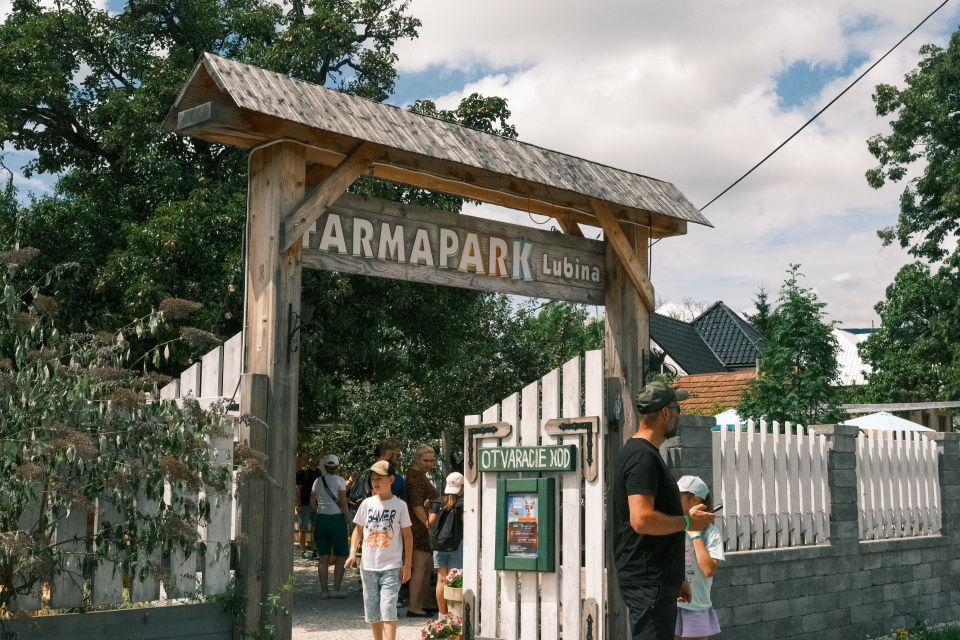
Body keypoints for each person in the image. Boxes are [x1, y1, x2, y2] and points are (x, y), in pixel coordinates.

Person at [612, 380, 715, 640]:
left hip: (658, 580)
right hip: (649, 581)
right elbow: (642, 520)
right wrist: (688, 522)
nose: (680, 414)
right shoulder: (642, 457)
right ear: (666, 413)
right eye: (678, 409)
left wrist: (676, 576)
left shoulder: (647, 454)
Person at [346, 461, 413, 640]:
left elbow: (408, 536)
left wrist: (407, 565)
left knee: (388, 606)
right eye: (373, 479)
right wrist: (353, 551)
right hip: (368, 566)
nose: (375, 482)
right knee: (372, 608)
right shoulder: (367, 504)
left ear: (391, 479)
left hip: (392, 566)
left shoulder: (400, 506)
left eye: (379, 479)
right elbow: (358, 529)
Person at [675, 476, 724, 640]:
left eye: (679, 496)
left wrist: (695, 533)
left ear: (695, 499)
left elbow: (708, 570)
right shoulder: (674, 526)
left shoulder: (710, 533)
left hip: (696, 606)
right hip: (672, 602)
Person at [404, 443, 439, 617]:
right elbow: (417, 505)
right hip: (418, 528)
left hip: (419, 526)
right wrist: (428, 525)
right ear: (417, 459)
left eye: (432, 461)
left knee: (426, 567)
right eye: (426, 460)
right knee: (419, 567)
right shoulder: (415, 477)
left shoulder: (418, 476)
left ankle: (424, 603)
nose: (429, 464)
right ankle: (413, 606)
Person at [311, 454, 352, 599]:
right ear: (337, 466)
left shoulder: (317, 481)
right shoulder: (340, 481)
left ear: (325, 467)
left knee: (323, 557)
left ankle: (324, 591)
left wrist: (322, 512)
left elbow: (312, 503)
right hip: (337, 520)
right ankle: (336, 589)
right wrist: (350, 521)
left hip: (321, 519)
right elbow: (343, 502)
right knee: (341, 555)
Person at [429, 471, 464, 615]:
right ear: (462, 487)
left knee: (441, 580)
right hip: (456, 545)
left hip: (439, 545)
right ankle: (454, 614)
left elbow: (430, 523)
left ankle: (442, 615)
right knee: (454, 579)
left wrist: (427, 508)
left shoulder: (438, 501)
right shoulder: (462, 502)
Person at [295, 457, 321, 559]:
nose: (317, 459)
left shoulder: (319, 472)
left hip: (316, 505)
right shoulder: (302, 473)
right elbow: (298, 490)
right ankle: (303, 551)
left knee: (316, 529)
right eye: (315, 457)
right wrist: (299, 504)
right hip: (305, 505)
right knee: (303, 529)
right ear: (309, 459)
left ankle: (315, 550)